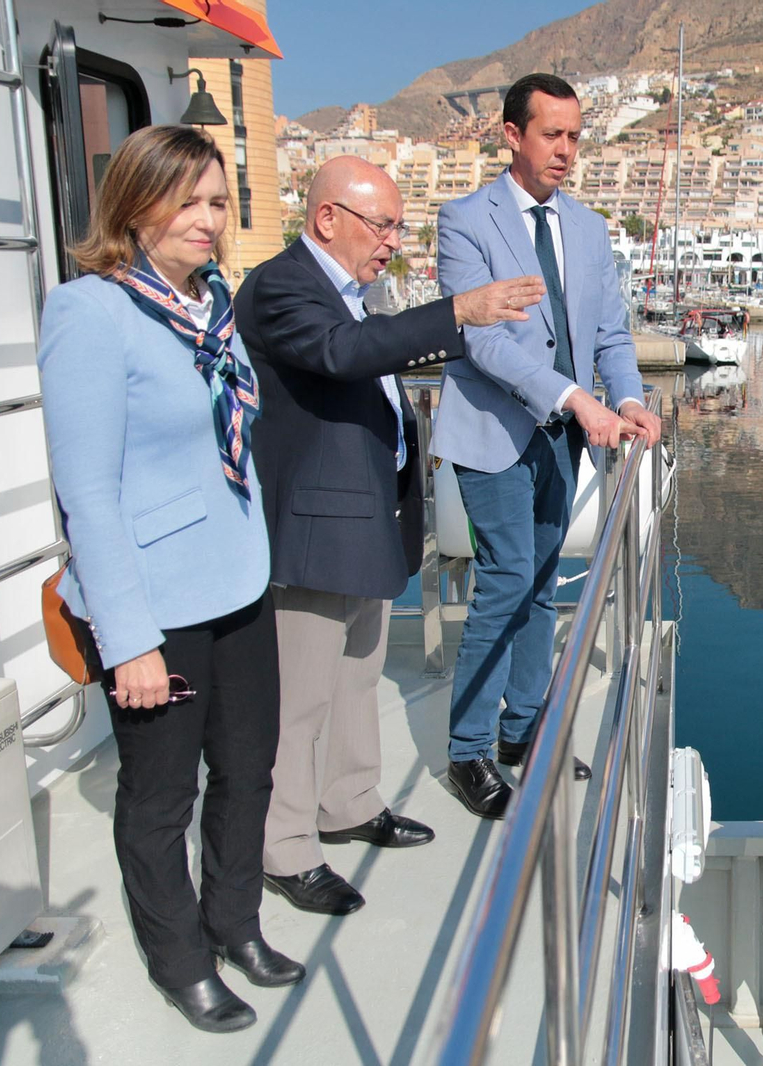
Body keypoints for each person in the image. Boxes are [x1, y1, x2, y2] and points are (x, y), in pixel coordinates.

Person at [36, 125, 300, 1034]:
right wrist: (129, 637)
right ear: (134, 205)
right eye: (185, 199)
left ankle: (235, 923)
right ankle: (180, 959)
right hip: (154, 601)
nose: (208, 219)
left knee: (248, 769)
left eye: (219, 201)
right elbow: (89, 494)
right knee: (160, 797)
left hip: (236, 581)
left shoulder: (209, 302)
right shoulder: (91, 311)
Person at [234, 157, 546, 916]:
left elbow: (372, 356)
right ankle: (285, 848)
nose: (392, 242)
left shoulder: (347, 296)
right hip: (312, 533)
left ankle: (348, 804)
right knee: (300, 700)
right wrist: (460, 311)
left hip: (362, 525)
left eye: (399, 227)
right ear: (327, 218)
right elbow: (343, 357)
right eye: (383, 225)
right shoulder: (282, 288)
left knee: (355, 680)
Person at [432, 73, 661, 818]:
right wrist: (575, 397)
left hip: (565, 439)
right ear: (511, 135)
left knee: (538, 584)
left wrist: (626, 396)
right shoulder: (464, 219)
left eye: (574, 136)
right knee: (506, 580)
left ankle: (522, 734)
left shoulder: (589, 228)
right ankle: (467, 752)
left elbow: (610, 333)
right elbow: (483, 341)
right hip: (493, 433)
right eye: (551, 135)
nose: (566, 151)